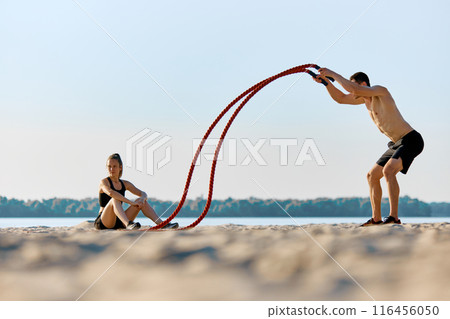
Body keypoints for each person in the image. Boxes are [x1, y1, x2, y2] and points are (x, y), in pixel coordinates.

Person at [312, 68, 424, 226]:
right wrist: (326, 83)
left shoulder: (380, 91)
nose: (351, 89)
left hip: (412, 140)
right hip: (396, 143)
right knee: (372, 176)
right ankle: (376, 219)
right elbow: (341, 98)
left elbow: (354, 90)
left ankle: (394, 218)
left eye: (353, 85)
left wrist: (333, 74)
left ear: (363, 84)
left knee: (388, 171)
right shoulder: (363, 100)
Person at [94, 153, 179, 230]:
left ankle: (162, 224)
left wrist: (142, 199)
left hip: (120, 220)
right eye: (109, 166)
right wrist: (131, 203)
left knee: (141, 201)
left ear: (120, 167)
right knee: (114, 199)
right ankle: (128, 224)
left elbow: (143, 193)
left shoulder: (125, 183)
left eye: (114, 166)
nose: (111, 169)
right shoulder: (104, 182)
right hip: (104, 222)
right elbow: (111, 193)